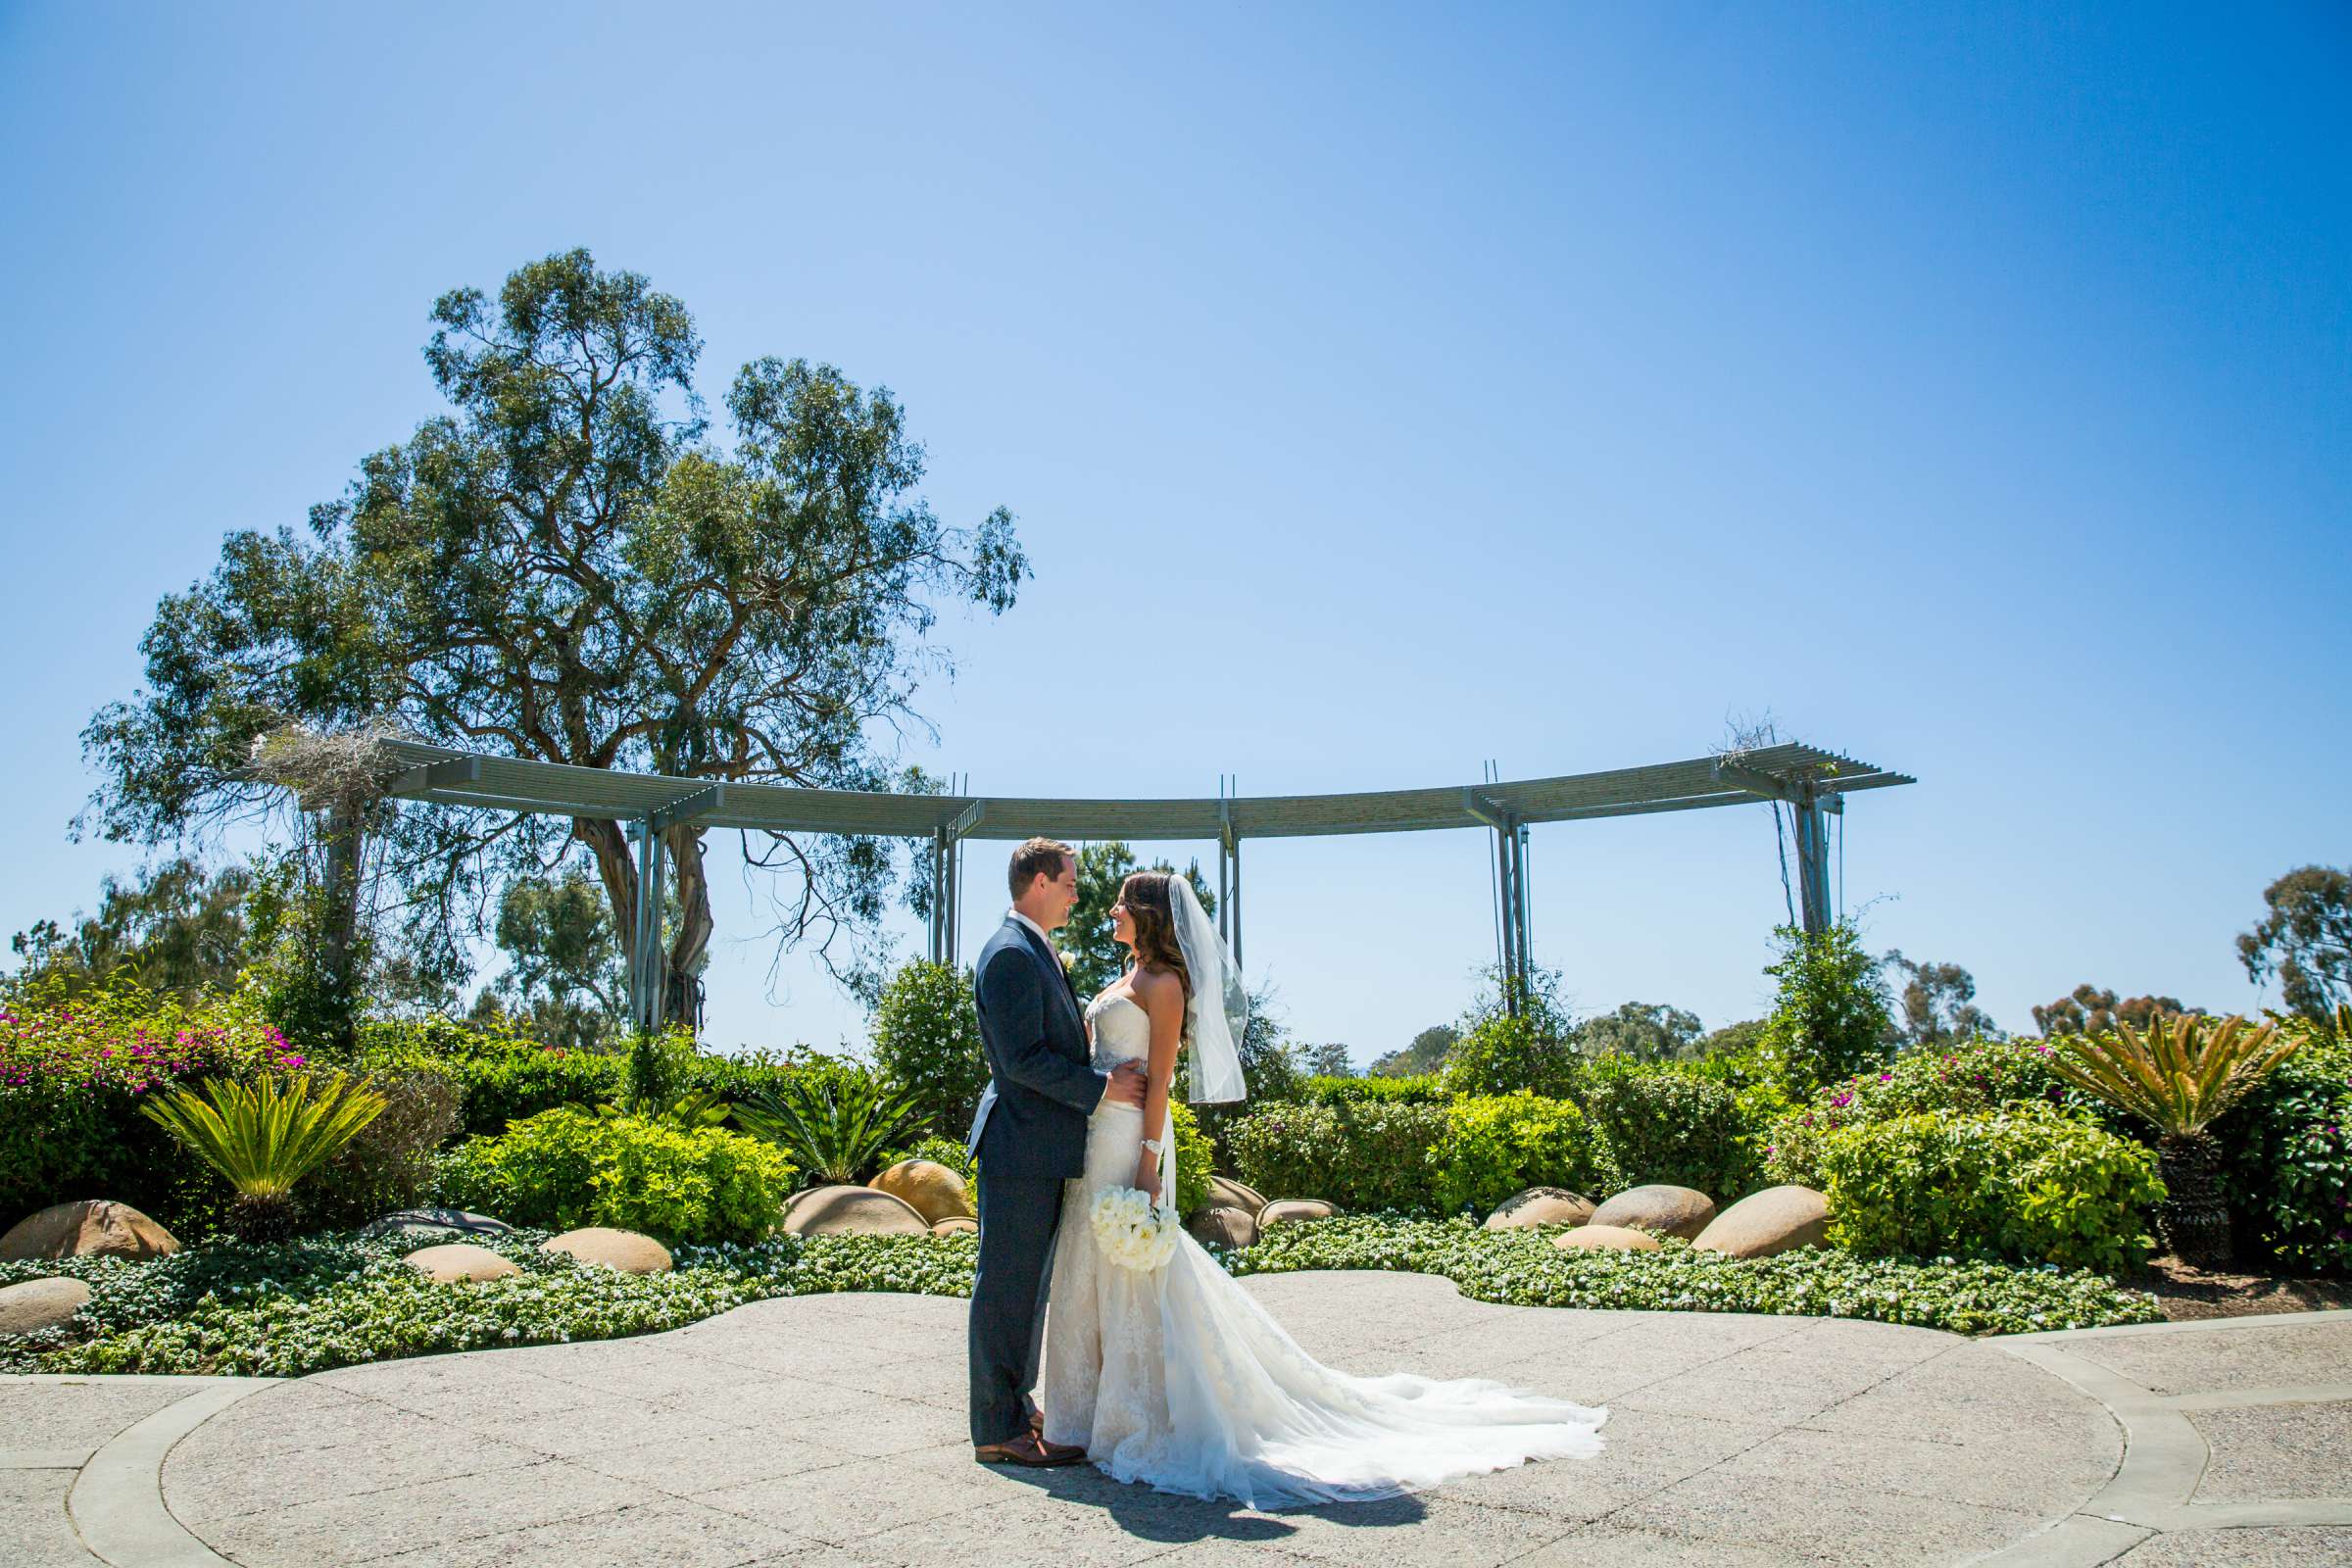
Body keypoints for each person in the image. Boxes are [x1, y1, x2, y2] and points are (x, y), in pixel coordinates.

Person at [1038, 869, 1608, 1508]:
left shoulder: (1165, 985)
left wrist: (1148, 1166)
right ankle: (1078, 1415)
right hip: (1092, 1139)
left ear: (1148, 913)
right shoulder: (1121, 978)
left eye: (1122, 903)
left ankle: (1132, 1419)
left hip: (1129, 1140)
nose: (1111, 910)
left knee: (1130, 1273)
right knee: (1086, 1266)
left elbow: (1163, 1082)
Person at [965, 837, 1150, 1467]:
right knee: (1007, 1287)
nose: (1077, 893)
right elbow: (1021, 1062)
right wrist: (1102, 1089)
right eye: (1069, 882)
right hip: (1019, 1148)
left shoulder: (1033, 950)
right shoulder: (1011, 955)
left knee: (1027, 1285)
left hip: (1037, 1149)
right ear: (1039, 882)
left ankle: (1015, 1405)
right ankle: (996, 1427)